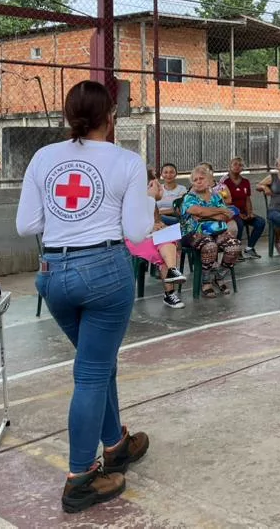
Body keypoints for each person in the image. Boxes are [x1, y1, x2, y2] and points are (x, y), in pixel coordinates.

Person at [16, 80, 150, 513]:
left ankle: (116, 446)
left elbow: (27, 224)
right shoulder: (126, 161)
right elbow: (136, 232)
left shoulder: (43, 157)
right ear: (110, 117)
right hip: (105, 273)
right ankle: (79, 479)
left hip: (53, 274)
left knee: (97, 361)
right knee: (92, 372)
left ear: (68, 116)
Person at [125, 172, 187, 309]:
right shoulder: (130, 199)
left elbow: (156, 220)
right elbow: (128, 225)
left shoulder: (150, 200)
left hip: (151, 237)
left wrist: (159, 225)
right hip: (134, 239)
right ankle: (170, 292)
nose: (160, 187)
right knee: (166, 251)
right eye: (157, 184)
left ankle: (171, 272)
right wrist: (150, 227)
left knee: (168, 241)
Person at [180, 164, 242, 297]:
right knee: (210, 246)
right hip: (193, 233)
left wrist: (205, 214)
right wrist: (218, 210)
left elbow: (225, 216)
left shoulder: (216, 196)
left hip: (216, 231)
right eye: (195, 180)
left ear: (209, 181)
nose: (198, 182)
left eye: (201, 178)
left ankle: (219, 276)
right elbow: (196, 211)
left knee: (234, 246)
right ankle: (205, 281)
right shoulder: (189, 197)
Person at [222, 156, 266, 258]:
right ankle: (236, 251)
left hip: (244, 212)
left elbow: (247, 199)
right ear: (230, 166)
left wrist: (250, 212)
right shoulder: (224, 182)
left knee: (260, 222)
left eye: (240, 165)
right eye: (235, 164)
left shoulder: (245, 181)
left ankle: (249, 248)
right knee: (239, 224)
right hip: (231, 213)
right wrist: (238, 214)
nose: (238, 167)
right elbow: (224, 201)